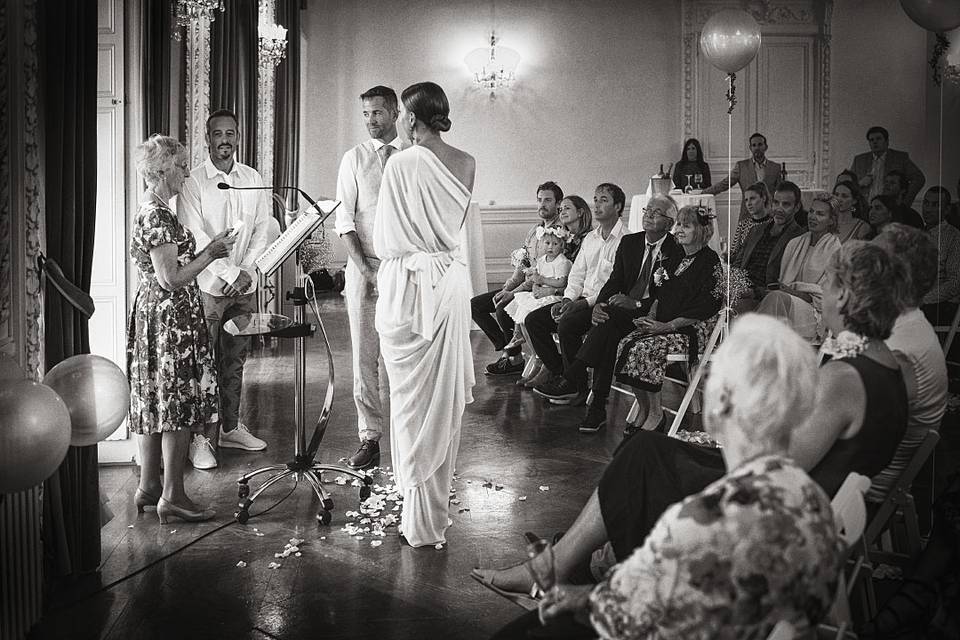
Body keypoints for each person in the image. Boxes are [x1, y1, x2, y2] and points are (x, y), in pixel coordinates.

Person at [474, 242, 908, 611]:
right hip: (807, 499)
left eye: (829, 282)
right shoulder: (886, 366)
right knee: (650, 452)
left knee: (647, 453)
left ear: (849, 297)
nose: (823, 294)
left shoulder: (845, 379)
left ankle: (580, 569)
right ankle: (589, 565)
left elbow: (775, 470)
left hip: (783, 514)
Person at [489, 315, 843, 640]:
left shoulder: (702, 520)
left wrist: (581, 598)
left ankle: (570, 565)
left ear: (719, 411)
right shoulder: (815, 502)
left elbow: (634, 614)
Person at [373, 81, 476, 548]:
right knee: (440, 407)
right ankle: (429, 517)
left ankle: (416, 518)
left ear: (411, 119)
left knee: (410, 407)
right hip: (448, 287)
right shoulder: (467, 162)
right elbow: (451, 230)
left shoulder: (401, 162)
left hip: (409, 290)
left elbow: (385, 243)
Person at [128, 134, 235, 523]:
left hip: (158, 319)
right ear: (160, 171)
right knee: (175, 402)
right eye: (180, 166)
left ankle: (149, 487)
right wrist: (210, 253)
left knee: (155, 399)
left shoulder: (154, 208)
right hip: (169, 320)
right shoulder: (156, 215)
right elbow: (170, 278)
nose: (186, 173)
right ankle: (172, 494)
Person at [539, 195, 683, 432]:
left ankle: (575, 382)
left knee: (607, 326)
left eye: (656, 213)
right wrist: (598, 305)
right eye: (647, 210)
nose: (648, 215)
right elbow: (614, 281)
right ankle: (591, 401)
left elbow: (669, 297)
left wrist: (636, 305)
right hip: (617, 310)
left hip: (649, 313)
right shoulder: (631, 243)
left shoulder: (676, 249)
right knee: (584, 325)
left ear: (669, 224)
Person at [178, 109, 273, 469]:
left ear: (238, 136)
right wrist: (229, 273)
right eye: (218, 134)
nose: (225, 140)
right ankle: (201, 438)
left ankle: (231, 428)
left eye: (230, 133)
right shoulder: (194, 181)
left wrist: (246, 271)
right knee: (204, 363)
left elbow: (261, 230)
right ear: (207, 138)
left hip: (243, 286)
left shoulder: (252, 178)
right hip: (208, 286)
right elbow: (195, 235)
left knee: (234, 361)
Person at [334, 85, 405, 470]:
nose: (371, 121)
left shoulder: (413, 156)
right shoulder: (354, 159)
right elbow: (344, 219)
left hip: (404, 269)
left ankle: (406, 437)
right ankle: (370, 437)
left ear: (394, 112)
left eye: (377, 113)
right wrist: (364, 269)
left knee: (403, 354)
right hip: (364, 268)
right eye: (365, 114)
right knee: (365, 357)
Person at [613, 205, 722, 433]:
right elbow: (659, 294)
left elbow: (706, 306)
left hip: (692, 329)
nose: (679, 229)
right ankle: (644, 408)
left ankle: (656, 413)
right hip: (666, 325)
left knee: (644, 349)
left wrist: (667, 326)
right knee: (624, 343)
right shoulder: (675, 257)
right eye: (679, 224)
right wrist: (651, 317)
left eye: (686, 225)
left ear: (702, 230)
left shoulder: (710, 262)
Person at [528, 184, 629, 406]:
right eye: (595, 199)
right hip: (580, 299)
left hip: (603, 302)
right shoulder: (591, 238)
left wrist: (581, 305)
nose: (597, 204)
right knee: (534, 320)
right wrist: (567, 299)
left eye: (603, 200)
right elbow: (576, 275)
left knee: (567, 325)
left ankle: (573, 383)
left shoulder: (626, 240)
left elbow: (613, 284)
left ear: (618, 206)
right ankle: (561, 375)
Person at [869, 224, 947, 501]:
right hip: (862, 477)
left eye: (871, 259)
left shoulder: (897, 349)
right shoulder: (908, 323)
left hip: (860, 495)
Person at [474, 181, 563, 377]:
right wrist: (508, 286)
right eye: (539, 200)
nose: (542, 204)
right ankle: (508, 351)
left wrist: (513, 293)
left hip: (539, 288)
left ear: (558, 203)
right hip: (523, 285)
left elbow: (541, 273)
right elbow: (523, 264)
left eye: (547, 200)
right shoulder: (534, 231)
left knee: (503, 307)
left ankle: (514, 359)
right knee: (476, 305)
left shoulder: (560, 234)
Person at [757, 192, 843, 342]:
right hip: (787, 301)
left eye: (820, 214)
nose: (812, 217)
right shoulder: (795, 243)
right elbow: (782, 283)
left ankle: (755, 353)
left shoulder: (836, 250)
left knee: (776, 298)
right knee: (774, 298)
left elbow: (826, 299)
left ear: (831, 220)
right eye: (811, 211)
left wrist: (791, 292)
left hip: (815, 313)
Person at [732, 181, 806, 311]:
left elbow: (787, 283)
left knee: (730, 311)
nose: (779, 209)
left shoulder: (800, 237)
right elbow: (738, 264)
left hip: (767, 297)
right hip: (741, 291)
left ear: (797, 207)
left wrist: (754, 292)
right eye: (776, 202)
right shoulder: (756, 230)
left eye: (786, 204)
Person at [503, 226, 573, 356]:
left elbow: (562, 282)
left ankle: (538, 353)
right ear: (541, 244)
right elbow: (535, 280)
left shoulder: (562, 262)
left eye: (555, 244)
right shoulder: (541, 260)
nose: (550, 247)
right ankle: (519, 334)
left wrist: (542, 280)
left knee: (530, 316)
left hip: (553, 296)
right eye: (547, 243)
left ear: (562, 246)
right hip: (540, 293)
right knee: (522, 305)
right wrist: (535, 287)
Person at [703, 132, 782, 225]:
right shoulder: (741, 166)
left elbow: (780, 192)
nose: (757, 148)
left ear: (766, 147)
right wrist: (703, 193)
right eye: (754, 145)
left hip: (769, 215)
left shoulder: (775, 167)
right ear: (750, 148)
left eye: (760, 144)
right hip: (747, 214)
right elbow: (724, 184)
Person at [920, 186, 960, 328]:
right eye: (926, 203)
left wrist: (924, 300)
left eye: (935, 205)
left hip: (936, 305)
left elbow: (955, 282)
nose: (928, 209)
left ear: (947, 209)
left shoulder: (954, 237)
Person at [850, 125, 925, 201]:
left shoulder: (900, 158)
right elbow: (847, 184)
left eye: (878, 139)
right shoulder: (859, 160)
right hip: (865, 207)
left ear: (887, 141)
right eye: (871, 140)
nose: (875, 142)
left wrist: (905, 200)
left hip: (890, 208)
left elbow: (919, 178)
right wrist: (860, 183)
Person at [730, 181, 771, 255]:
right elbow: (733, 253)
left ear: (763, 198)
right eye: (746, 200)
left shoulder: (772, 223)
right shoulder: (743, 225)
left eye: (752, 199)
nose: (748, 204)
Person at [557, 195, 593, 262]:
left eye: (567, 208)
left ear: (580, 212)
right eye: (560, 210)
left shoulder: (591, 238)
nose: (562, 212)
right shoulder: (559, 237)